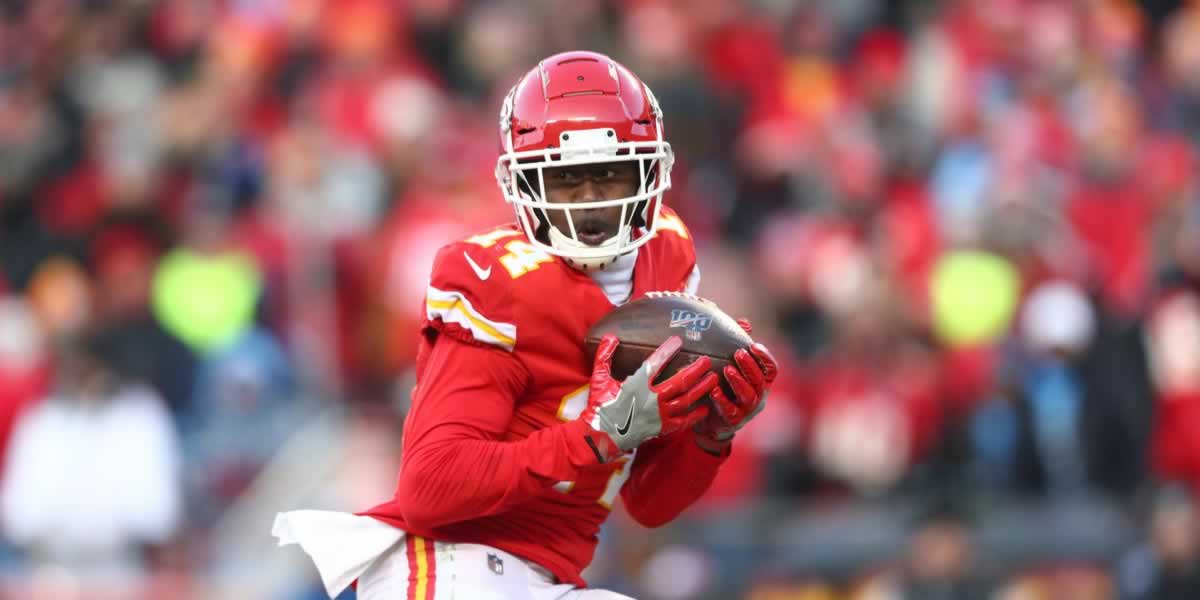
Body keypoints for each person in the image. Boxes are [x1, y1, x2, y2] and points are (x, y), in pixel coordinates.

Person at [273, 50, 778, 599]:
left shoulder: (668, 254)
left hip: (549, 576)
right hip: (456, 566)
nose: (589, 202)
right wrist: (594, 437)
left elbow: (649, 505)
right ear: (523, 182)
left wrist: (711, 433)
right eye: (565, 179)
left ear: (651, 170)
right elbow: (428, 488)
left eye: (609, 174)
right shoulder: (498, 282)